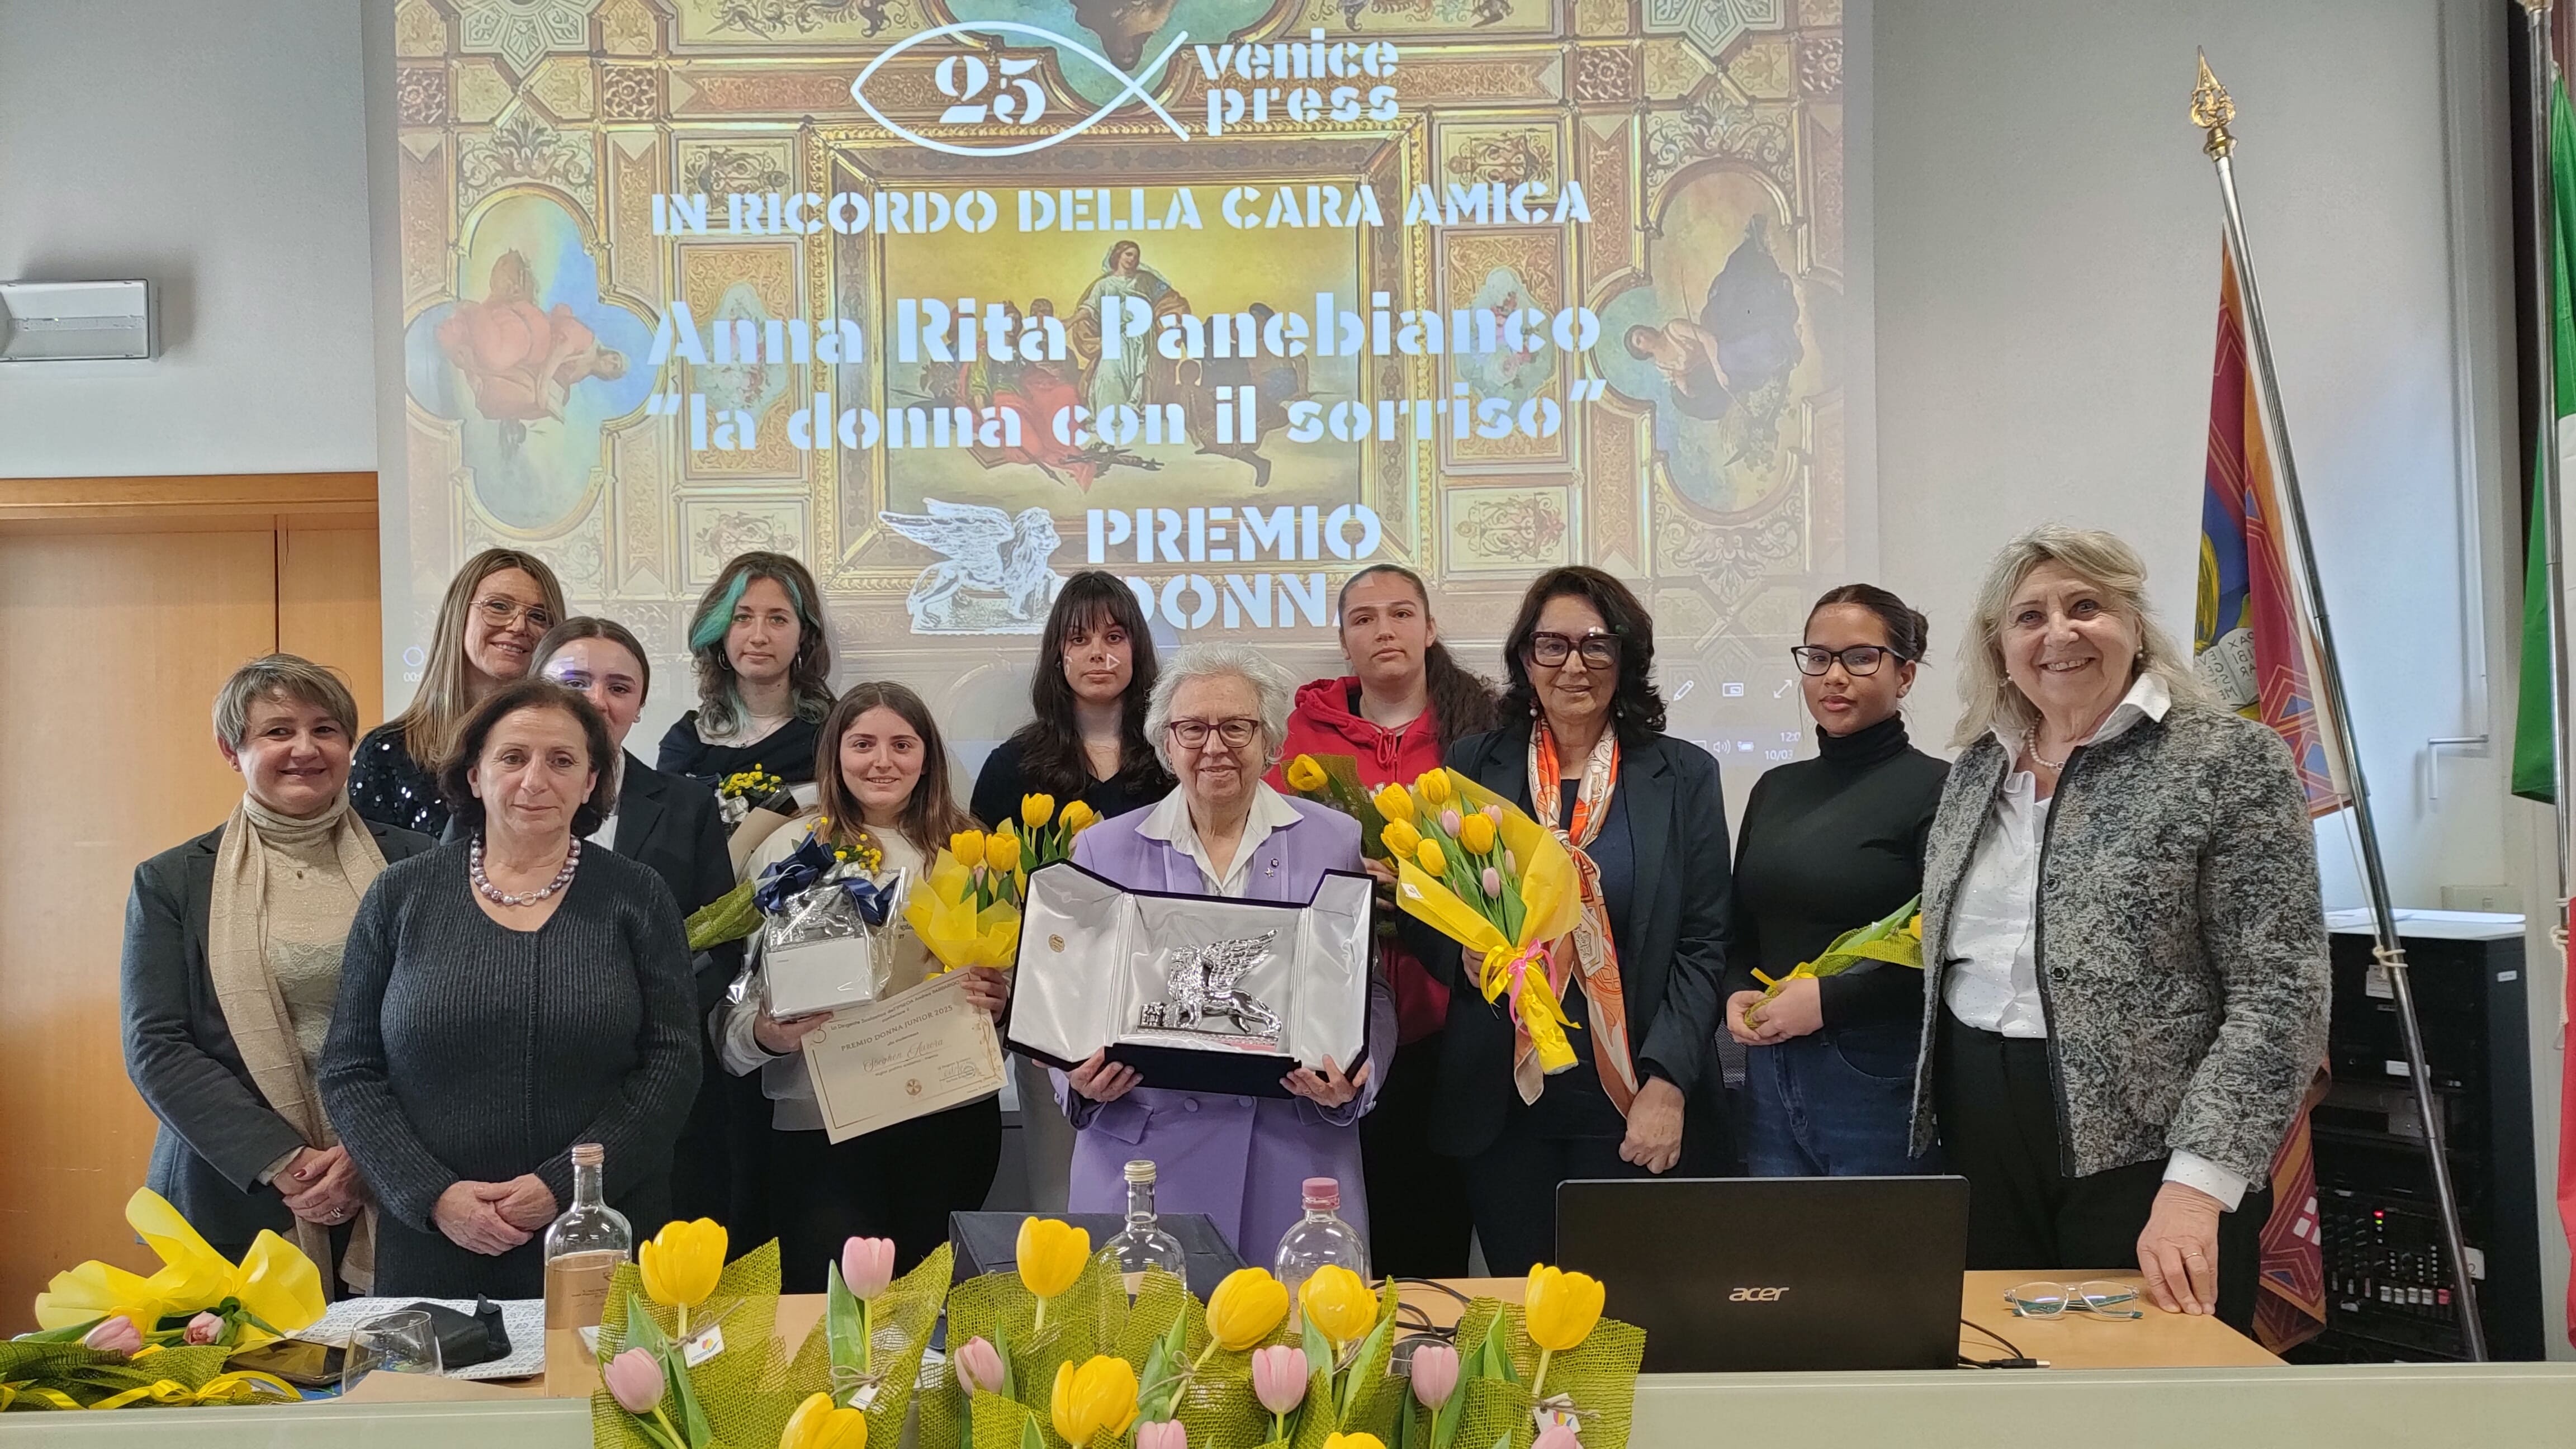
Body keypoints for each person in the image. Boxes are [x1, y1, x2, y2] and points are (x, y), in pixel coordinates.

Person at [1910, 525, 2329, 1330]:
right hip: (1979, 1140)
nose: (2058, 634)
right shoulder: (1977, 768)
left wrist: (2198, 1187)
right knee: (2001, 1370)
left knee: (2150, 1387)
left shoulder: (2227, 759)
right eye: (2029, 617)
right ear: (2000, 647)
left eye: (2086, 606)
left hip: (2151, 1157)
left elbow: (2282, 994)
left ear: (2134, 624)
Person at [320, 680, 700, 1298]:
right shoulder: (401, 894)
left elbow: (673, 1064)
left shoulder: (638, 895)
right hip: (432, 1242)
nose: (535, 781)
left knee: (605, 1368)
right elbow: (349, 1069)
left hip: (598, 1231)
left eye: (562, 761)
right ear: (474, 775)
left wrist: (561, 1188)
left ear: (591, 781)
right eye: (513, 757)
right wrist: (433, 1195)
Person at [1404, 566, 1729, 1276]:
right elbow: (1427, 913)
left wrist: (1669, 1083)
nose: (1573, 665)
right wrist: (1463, 957)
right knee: (1524, 1312)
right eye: (1552, 645)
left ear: (1627, 657)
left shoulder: (1683, 776)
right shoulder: (1472, 765)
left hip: (1632, 1099)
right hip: (1505, 1107)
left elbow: (1705, 943)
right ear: (1526, 658)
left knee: (1628, 1316)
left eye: (1596, 645)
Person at [1058, 644, 1396, 1261]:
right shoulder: (1103, 849)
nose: (1214, 746)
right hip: (1145, 1160)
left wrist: (1355, 1074)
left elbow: (1367, 990)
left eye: (1236, 727)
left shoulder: (1335, 840)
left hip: (1292, 1158)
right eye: (1192, 728)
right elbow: (1067, 994)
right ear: (1167, 743)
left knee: (1299, 1324)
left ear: (1269, 741)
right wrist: (1073, 1077)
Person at [122, 656, 434, 1291]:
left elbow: (443, 1029)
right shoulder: (172, 881)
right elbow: (157, 1045)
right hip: (235, 1193)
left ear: (350, 745)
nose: (305, 749)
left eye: (325, 729)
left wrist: (366, 1153)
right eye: (278, 731)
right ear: (231, 750)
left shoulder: (420, 863)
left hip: (395, 1181)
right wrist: (283, 1161)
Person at [721, 684, 1012, 1289]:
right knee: (833, 1306)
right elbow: (734, 1005)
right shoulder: (788, 849)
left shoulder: (973, 850)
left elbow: (1011, 994)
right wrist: (767, 1034)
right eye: (863, 745)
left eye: (902, 745)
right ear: (835, 754)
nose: (883, 762)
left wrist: (1000, 1005)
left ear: (928, 758)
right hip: (823, 1123)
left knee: (932, 1307)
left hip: (947, 1117)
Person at [1267, 564, 1495, 1278]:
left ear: (1430, 630)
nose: (1384, 630)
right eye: (1363, 619)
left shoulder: (1481, 734)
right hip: (1334, 1031)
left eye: (1401, 614)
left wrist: (1420, 890)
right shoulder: (1296, 739)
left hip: (1448, 1025)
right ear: (1343, 640)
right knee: (1331, 1251)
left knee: (1432, 1249)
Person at [1723, 586, 1948, 1176]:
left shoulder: (1941, 789)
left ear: (1905, 676)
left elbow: (1948, 950)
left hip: (1878, 1073)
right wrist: (1735, 991)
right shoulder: (1775, 788)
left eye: (1860, 658)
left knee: (1877, 1239)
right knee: (1779, 1238)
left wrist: (1831, 1000)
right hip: (1770, 1072)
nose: (1835, 677)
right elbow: (1742, 930)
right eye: (1819, 658)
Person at [523, 619, 741, 1227]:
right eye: (574, 682)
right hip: (523, 1091)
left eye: (619, 687)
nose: (596, 700)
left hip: (651, 1087)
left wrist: (638, 1014)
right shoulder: (494, 800)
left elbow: (722, 944)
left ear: (640, 705)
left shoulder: (687, 805)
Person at [970, 570, 1174, 1213]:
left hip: (1161, 1003)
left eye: (1115, 637)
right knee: (1063, 1198)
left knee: (1164, 1192)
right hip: (1053, 1015)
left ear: (1137, 649)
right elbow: (986, 895)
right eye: (1080, 639)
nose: (1099, 654)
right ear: (1057, 655)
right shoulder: (1013, 766)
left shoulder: (1175, 759)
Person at [352, 550, 566, 837]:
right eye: (498, 606)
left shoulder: (568, 751)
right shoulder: (386, 752)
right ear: (459, 615)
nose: (518, 626)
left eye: (538, 616)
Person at [657, 552, 836, 799]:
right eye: (743, 617)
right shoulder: (685, 743)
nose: (759, 637)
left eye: (778, 619)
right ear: (720, 630)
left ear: (803, 635)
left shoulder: (834, 736)